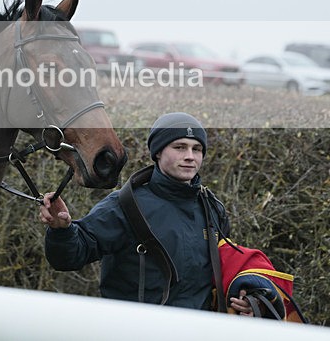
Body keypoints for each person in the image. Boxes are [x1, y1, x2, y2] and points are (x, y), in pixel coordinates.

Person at [39, 112, 254, 314]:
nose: (189, 156)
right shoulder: (125, 205)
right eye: (179, 147)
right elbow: (69, 258)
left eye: (196, 149)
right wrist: (62, 231)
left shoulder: (212, 209)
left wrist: (244, 298)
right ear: (158, 152)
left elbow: (222, 274)